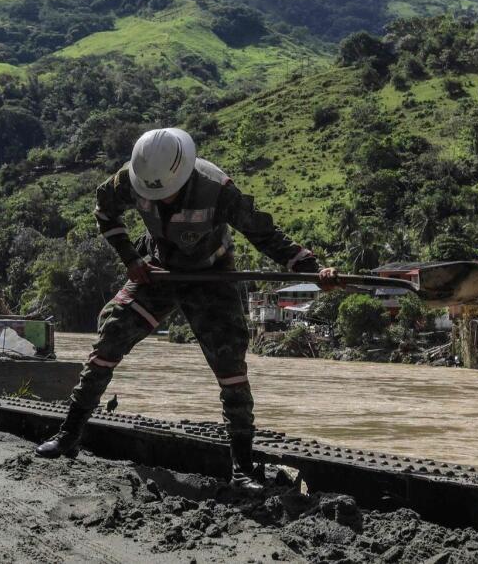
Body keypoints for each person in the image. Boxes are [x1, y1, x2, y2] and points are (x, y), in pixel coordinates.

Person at [33, 128, 339, 494]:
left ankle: (241, 467)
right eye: (150, 193)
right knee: (111, 337)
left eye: (167, 192)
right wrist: (130, 258)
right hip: (158, 269)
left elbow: (265, 234)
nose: (158, 198)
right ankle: (69, 433)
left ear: (185, 173)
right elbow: (104, 211)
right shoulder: (131, 178)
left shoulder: (218, 189)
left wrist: (310, 268)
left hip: (211, 276)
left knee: (230, 367)